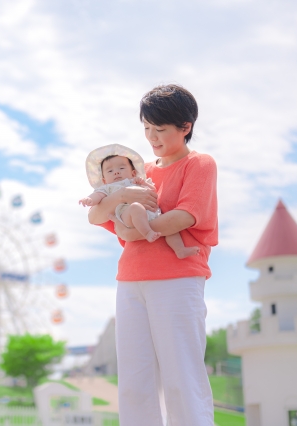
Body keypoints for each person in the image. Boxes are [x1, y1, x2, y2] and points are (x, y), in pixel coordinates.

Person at [88, 84, 218, 426]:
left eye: (159, 130)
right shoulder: (136, 171)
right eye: (146, 128)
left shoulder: (199, 164)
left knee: (181, 376)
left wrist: (138, 229)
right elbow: (98, 215)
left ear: (185, 127)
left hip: (179, 276)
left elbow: (187, 215)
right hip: (130, 281)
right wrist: (126, 195)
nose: (151, 138)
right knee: (134, 380)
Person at [79, 144, 200, 258]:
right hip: (128, 213)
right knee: (136, 208)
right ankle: (147, 233)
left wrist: (144, 183)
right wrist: (89, 199)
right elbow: (98, 195)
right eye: (110, 171)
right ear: (104, 180)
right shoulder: (108, 188)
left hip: (151, 213)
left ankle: (180, 250)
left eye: (121, 168)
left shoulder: (136, 181)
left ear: (133, 173)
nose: (116, 172)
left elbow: (153, 191)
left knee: (171, 230)